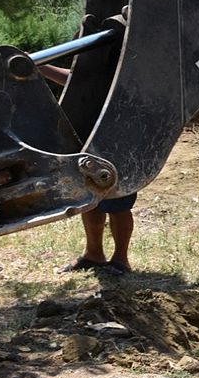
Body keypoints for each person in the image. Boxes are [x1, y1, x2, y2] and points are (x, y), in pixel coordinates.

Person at [38, 64, 135, 276]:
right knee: (90, 199)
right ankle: (94, 255)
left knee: (118, 199)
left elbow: (79, 79)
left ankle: (121, 260)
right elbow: (79, 80)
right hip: (90, 135)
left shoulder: (125, 57)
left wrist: (42, 67)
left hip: (116, 133)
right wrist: (41, 68)